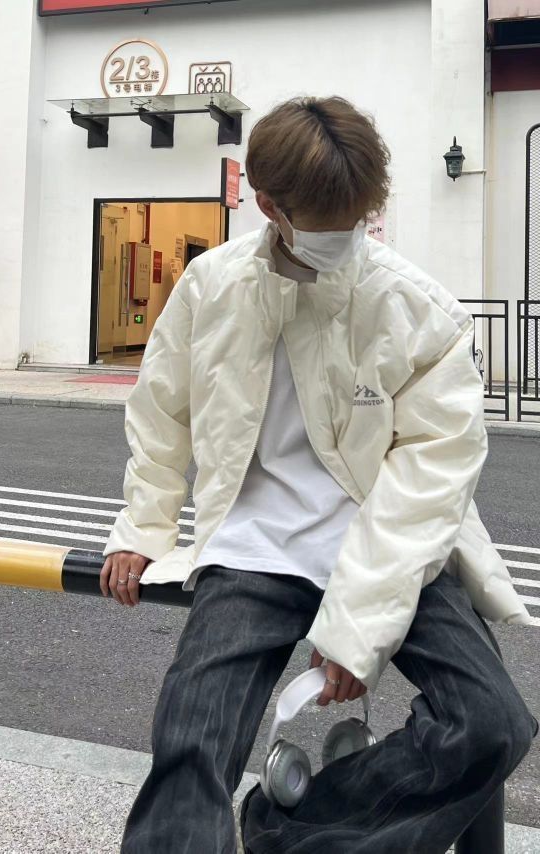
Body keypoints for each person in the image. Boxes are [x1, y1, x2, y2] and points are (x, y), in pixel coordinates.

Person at [100, 96, 538, 853]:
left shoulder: (416, 308)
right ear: (267, 204)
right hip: (252, 546)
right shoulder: (211, 286)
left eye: (360, 218)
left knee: (491, 723)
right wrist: (144, 525)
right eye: (328, 223)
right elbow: (162, 410)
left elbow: (432, 475)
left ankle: (291, 829)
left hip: (390, 542)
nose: (349, 237)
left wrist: (358, 627)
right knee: (191, 745)